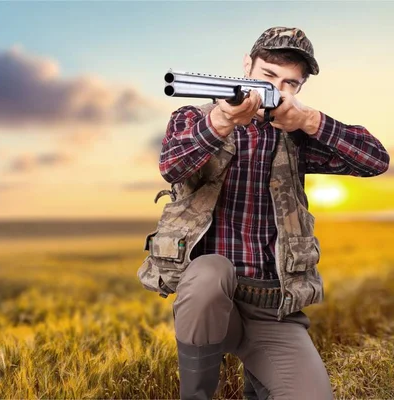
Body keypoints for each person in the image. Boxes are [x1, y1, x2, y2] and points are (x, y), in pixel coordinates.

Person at [155, 26, 390, 399]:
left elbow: (375, 160)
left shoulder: (297, 134)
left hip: (272, 307)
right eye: (268, 76)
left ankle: (261, 380)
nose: (278, 88)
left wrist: (309, 121)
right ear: (247, 66)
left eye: (290, 83)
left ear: (298, 89)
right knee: (209, 272)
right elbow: (172, 165)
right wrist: (222, 121)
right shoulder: (193, 118)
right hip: (211, 301)